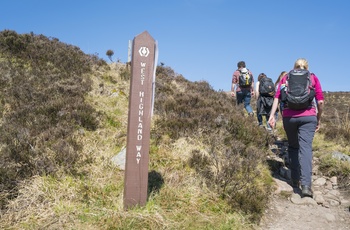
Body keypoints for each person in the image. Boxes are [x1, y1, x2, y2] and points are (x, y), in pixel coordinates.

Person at [268, 58, 324, 198]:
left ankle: (294, 179)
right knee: (305, 148)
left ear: (295, 67)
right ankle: (306, 186)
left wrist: (272, 116)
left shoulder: (286, 77)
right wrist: (318, 118)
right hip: (309, 117)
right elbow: (321, 101)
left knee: (293, 147)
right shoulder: (313, 77)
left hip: (289, 117)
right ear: (307, 67)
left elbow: (277, 97)